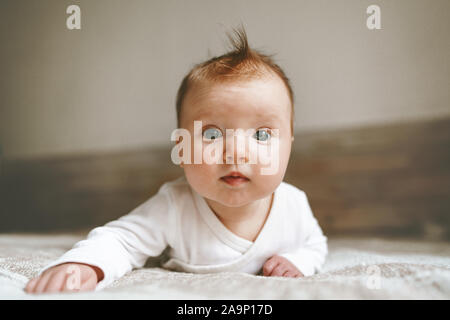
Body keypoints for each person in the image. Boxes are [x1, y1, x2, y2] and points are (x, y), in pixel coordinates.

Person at [25, 27, 327, 294]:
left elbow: (315, 246)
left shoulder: (293, 205)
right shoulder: (174, 206)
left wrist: (297, 261)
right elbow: (121, 240)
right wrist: (85, 265)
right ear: (182, 148)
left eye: (261, 135)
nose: (236, 152)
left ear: (289, 146)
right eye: (211, 133)